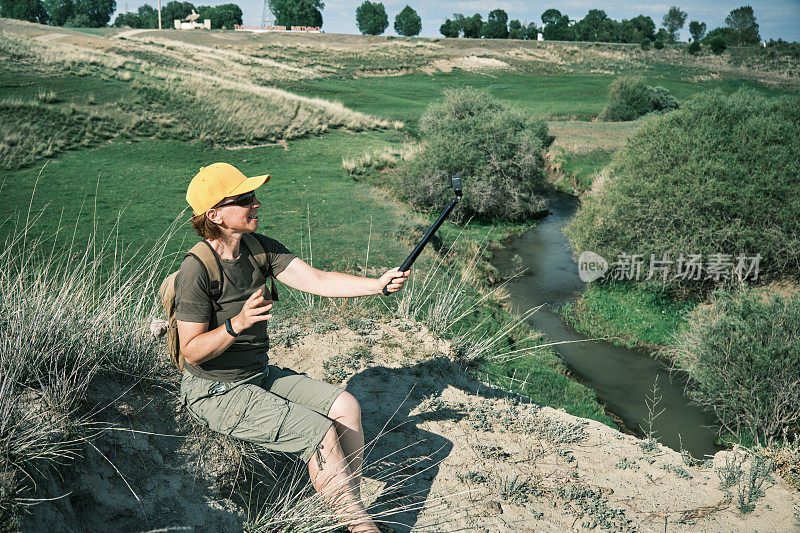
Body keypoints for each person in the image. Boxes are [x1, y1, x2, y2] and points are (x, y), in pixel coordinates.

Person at [175, 162, 409, 533]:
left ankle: (350, 509)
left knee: (346, 407)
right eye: (245, 199)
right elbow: (192, 351)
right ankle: (360, 526)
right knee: (317, 429)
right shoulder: (197, 270)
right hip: (214, 391)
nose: (256, 204)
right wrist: (237, 324)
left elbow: (315, 279)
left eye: (254, 196)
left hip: (258, 375)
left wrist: (376, 285)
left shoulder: (259, 248)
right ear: (215, 214)